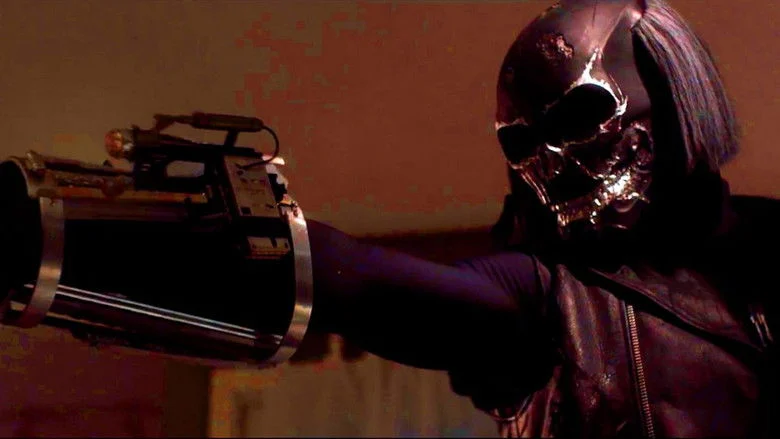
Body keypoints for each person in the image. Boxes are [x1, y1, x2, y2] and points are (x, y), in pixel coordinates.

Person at [303, 0, 777, 437]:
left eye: (578, 117)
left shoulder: (765, 244)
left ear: (669, 97)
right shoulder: (553, 298)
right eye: (524, 144)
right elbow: (361, 284)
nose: (550, 163)